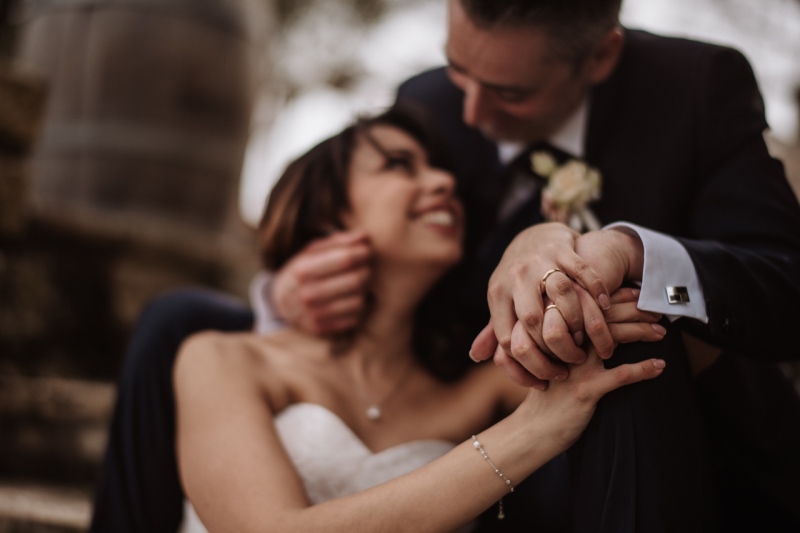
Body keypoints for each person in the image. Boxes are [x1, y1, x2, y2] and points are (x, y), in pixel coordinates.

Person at [90, 0, 800, 531]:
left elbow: (782, 281)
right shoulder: (431, 100)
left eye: (511, 93)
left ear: (601, 58)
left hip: (630, 421)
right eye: (459, 68)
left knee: (627, 344)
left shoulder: (698, 88)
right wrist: (291, 290)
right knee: (178, 318)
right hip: (450, 361)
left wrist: (625, 254)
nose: (469, 113)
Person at [173, 105, 665, 533]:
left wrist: (557, 245)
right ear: (327, 211)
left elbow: (677, 352)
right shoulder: (220, 358)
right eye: (398, 165)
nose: (444, 182)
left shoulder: (487, 382)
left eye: (439, 169)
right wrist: (534, 432)